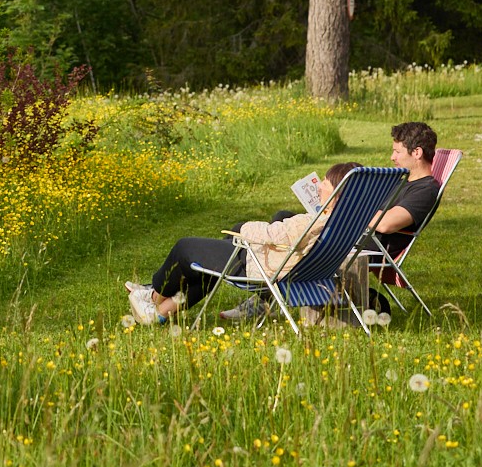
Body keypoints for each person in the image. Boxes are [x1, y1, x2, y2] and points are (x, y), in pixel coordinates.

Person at [126, 161, 362, 326]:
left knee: (185, 248)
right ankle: (160, 313)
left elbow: (274, 234)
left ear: (338, 194)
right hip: (289, 270)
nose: (320, 185)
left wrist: (244, 228)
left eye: (326, 182)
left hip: (261, 268)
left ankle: (153, 295)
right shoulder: (346, 222)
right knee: (209, 266)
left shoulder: (313, 222)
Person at [375, 120, 441, 254]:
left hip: (367, 248)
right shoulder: (401, 181)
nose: (392, 157)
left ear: (417, 152)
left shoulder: (425, 190)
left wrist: (351, 210)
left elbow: (385, 224)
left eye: (397, 152)